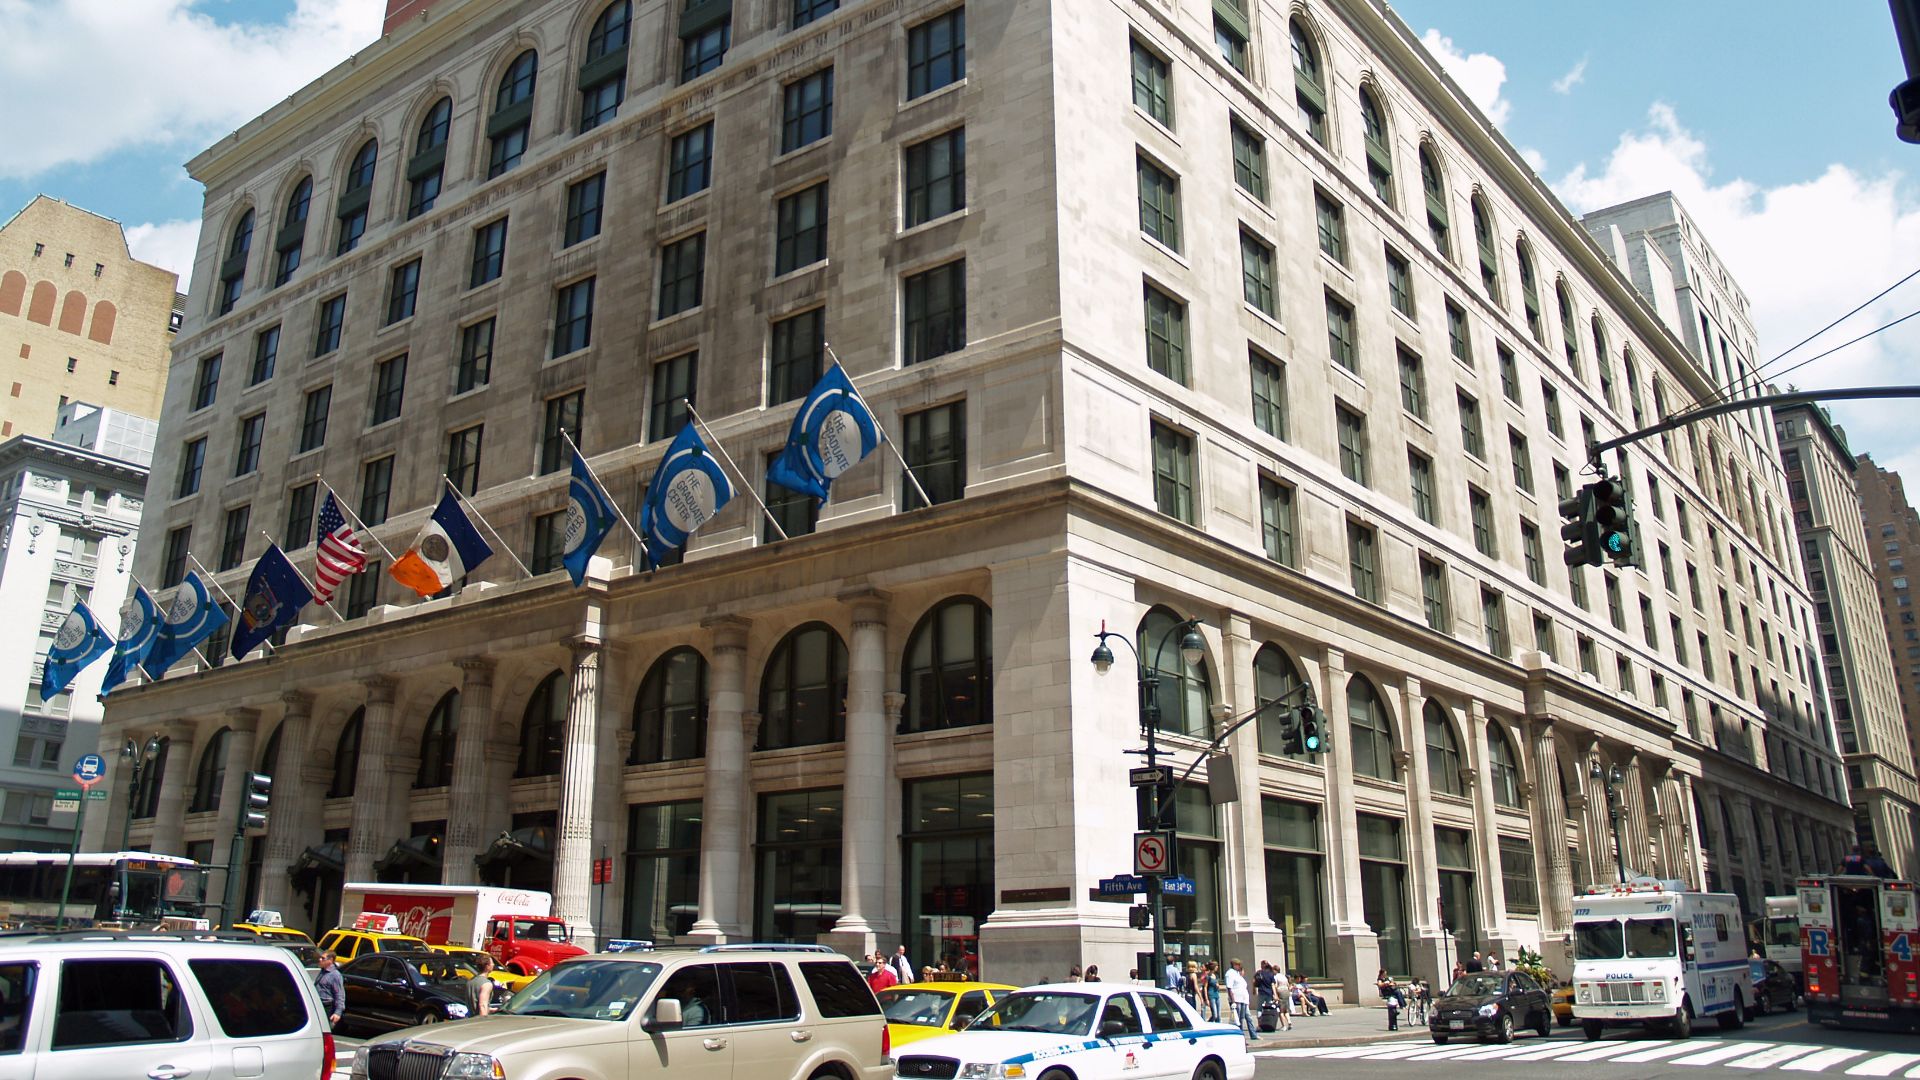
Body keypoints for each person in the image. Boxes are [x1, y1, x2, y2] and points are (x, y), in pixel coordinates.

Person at [1226, 960, 1256, 1041]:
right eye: (1238, 965)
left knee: (1244, 1018)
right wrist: (1233, 1001)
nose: (1239, 966)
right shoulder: (1230, 973)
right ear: (1234, 965)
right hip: (1236, 1000)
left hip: (1243, 1000)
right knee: (1238, 1020)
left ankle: (1251, 1035)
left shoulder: (1237, 974)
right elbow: (1229, 988)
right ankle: (1238, 1037)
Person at [314, 950, 344, 1030]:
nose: (320, 959)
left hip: (326, 1007)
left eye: (323, 958)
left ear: (330, 960)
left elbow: (339, 994)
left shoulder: (335, 975)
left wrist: (337, 1013)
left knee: (322, 1030)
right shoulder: (323, 971)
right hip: (318, 1005)